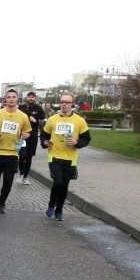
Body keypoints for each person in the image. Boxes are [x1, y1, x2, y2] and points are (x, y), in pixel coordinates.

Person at [41, 92, 91, 221]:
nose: (64, 104)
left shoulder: (79, 121)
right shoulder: (53, 119)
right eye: (62, 102)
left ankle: (59, 209)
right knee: (58, 182)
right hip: (54, 156)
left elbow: (86, 138)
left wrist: (76, 143)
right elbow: (44, 134)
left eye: (67, 102)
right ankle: (52, 204)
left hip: (71, 158)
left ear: (72, 104)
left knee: (64, 186)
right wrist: (45, 142)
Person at [0, 88, 32, 214]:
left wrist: (25, 135)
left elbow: (27, 131)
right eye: (9, 97)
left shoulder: (23, 116)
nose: (11, 99)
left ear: (17, 99)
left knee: (8, 181)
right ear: (5, 99)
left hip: (12, 153)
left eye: (13, 97)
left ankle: (2, 203)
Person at [17, 90, 45, 185]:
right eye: (29, 97)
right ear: (26, 98)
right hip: (22, 136)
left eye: (33, 97)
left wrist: (36, 121)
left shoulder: (39, 109)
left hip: (33, 136)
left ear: (35, 98)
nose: (31, 98)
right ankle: (21, 174)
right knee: (22, 155)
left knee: (29, 157)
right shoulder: (21, 107)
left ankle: (25, 176)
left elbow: (43, 122)